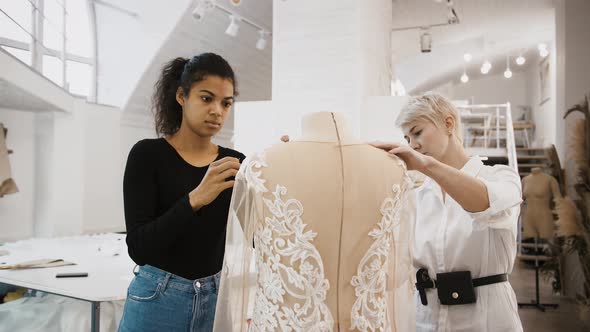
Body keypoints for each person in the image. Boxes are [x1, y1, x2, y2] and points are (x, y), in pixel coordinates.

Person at [372, 92, 524, 331]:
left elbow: (484, 204)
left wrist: (425, 165)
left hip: (485, 319)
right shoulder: (417, 195)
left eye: (417, 132)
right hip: (427, 320)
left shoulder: (500, 177)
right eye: (407, 138)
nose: (413, 145)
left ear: (448, 123)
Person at [118, 53, 245, 332]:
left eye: (226, 103)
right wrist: (195, 199)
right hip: (157, 299)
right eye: (206, 98)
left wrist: (282, 164)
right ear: (181, 96)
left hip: (215, 300)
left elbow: (260, 235)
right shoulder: (147, 155)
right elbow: (138, 248)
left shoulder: (234, 163)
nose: (217, 111)